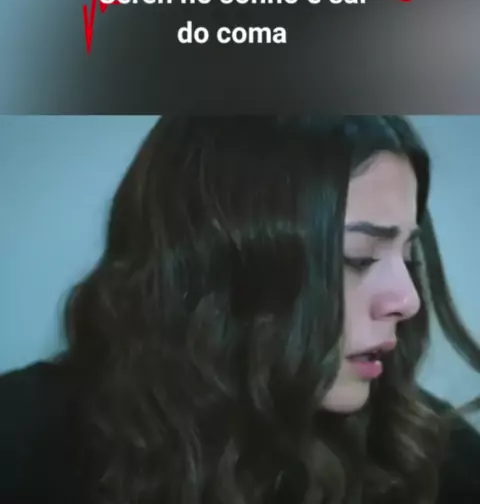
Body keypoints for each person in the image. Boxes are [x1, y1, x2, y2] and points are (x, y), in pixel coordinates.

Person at [0, 116, 479, 504]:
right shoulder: (23, 445)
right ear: (222, 268)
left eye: (408, 255)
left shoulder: (426, 454)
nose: (408, 300)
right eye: (359, 256)